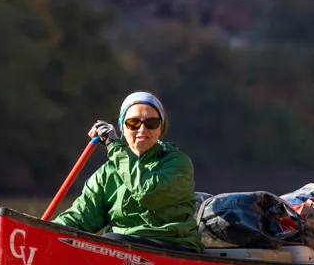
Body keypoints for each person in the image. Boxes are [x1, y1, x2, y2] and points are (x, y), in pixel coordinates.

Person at [53, 91, 202, 252]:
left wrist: (115, 147)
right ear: (122, 127)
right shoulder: (107, 173)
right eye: (133, 123)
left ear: (161, 128)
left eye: (151, 123)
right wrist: (45, 230)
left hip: (174, 246)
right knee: (99, 242)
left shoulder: (178, 163)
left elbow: (147, 193)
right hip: (121, 249)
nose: (142, 129)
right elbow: (81, 218)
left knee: (109, 241)